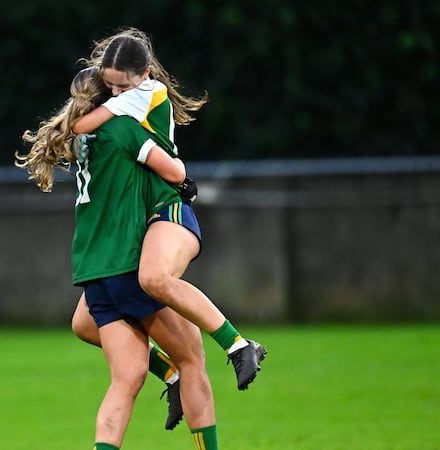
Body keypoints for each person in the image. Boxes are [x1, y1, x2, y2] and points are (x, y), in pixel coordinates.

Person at [19, 67, 219, 450]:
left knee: (110, 359)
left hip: (94, 266)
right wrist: (182, 181)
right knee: (193, 356)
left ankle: (168, 374)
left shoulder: (81, 141)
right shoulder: (124, 129)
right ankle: (234, 344)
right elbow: (174, 170)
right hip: (127, 259)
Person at [69, 27, 267, 393]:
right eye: (108, 86)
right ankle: (172, 375)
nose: (114, 93)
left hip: (165, 204)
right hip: (141, 215)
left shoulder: (142, 96)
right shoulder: (131, 95)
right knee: (83, 323)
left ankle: (237, 345)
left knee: (154, 281)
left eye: (119, 86)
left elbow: (80, 124)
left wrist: (77, 122)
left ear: (143, 75)